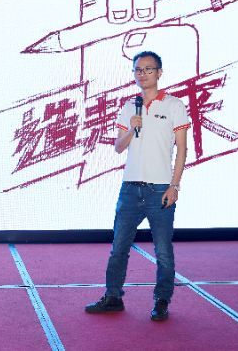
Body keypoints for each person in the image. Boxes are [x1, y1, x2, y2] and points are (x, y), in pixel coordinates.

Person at [85, 50, 190, 321]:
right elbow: (118, 147)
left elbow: (182, 149)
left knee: (163, 251)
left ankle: (162, 300)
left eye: (148, 69)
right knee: (119, 247)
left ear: (159, 72)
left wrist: (175, 186)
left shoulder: (174, 105)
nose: (142, 74)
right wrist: (132, 128)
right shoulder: (129, 106)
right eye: (138, 70)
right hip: (130, 189)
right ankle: (113, 297)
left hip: (160, 189)